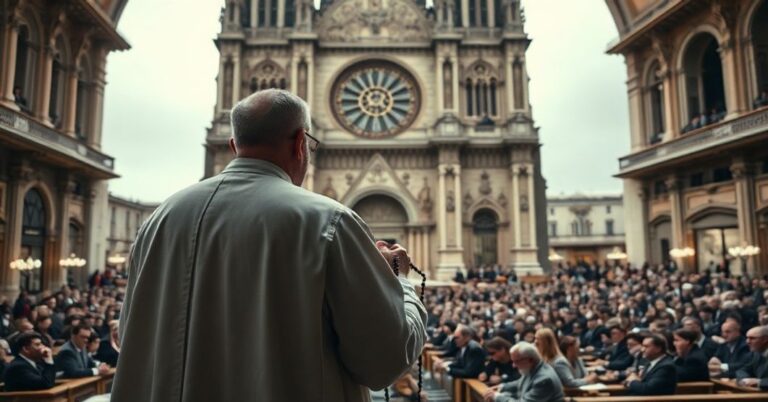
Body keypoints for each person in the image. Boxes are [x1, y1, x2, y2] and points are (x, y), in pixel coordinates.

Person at [111, 89, 427, 402]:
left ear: (234, 145)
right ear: (301, 143)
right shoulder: (329, 222)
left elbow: (131, 339)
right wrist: (399, 282)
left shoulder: (158, 221)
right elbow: (385, 362)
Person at [482, 342, 564, 402]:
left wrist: (497, 397)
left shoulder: (544, 379)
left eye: (516, 361)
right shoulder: (533, 368)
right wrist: (502, 387)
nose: (513, 365)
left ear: (530, 360)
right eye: (512, 361)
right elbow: (522, 382)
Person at [735, 325, 768, 389]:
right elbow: (742, 370)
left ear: (765, 339)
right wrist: (744, 379)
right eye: (747, 338)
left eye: (752, 338)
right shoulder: (756, 354)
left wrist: (759, 382)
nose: (747, 342)